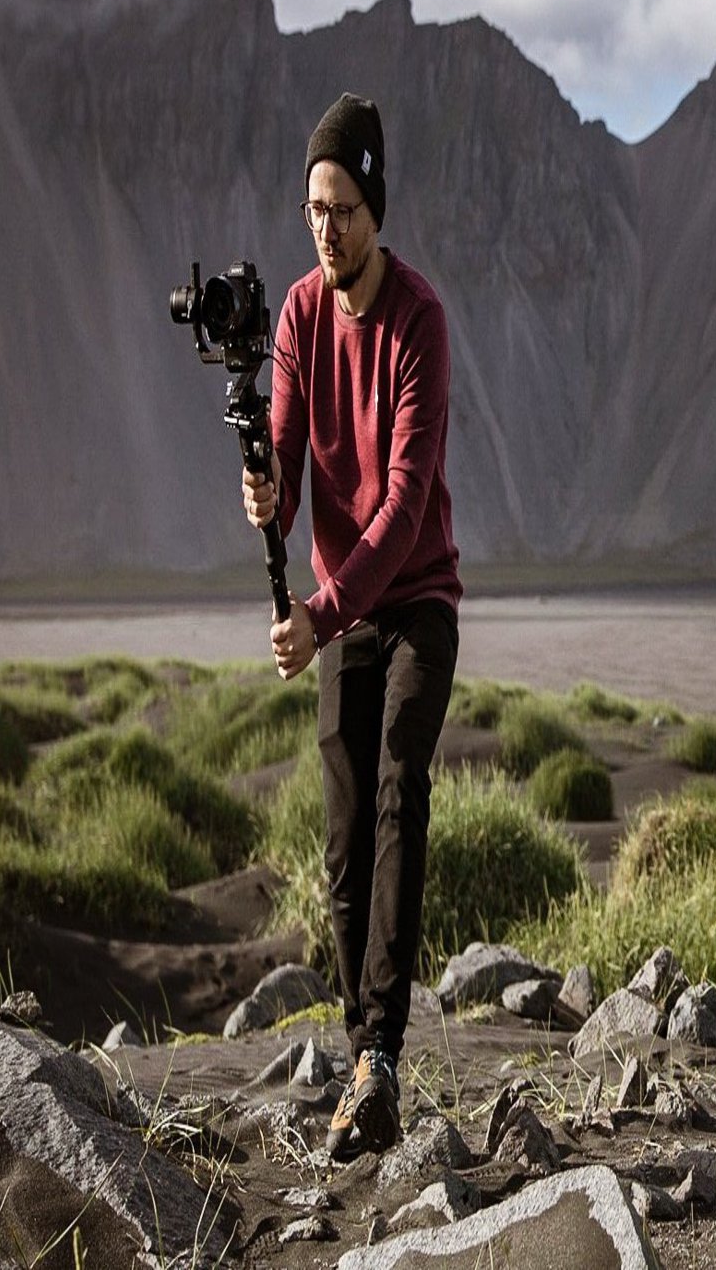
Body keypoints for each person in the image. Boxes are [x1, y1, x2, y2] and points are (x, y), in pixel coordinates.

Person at [242, 92, 461, 1161]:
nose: (324, 229)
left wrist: (319, 612)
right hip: (343, 609)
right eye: (312, 209)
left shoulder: (419, 319)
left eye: (342, 209)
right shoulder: (296, 315)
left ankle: (380, 1055)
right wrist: (265, 490)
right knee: (339, 842)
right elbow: (287, 471)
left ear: (375, 208)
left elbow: (405, 504)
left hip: (414, 599)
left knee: (395, 788)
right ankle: (360, 1051)